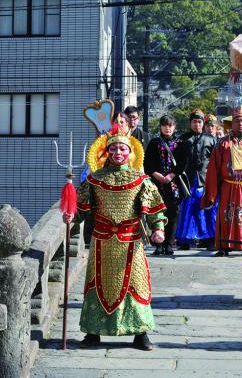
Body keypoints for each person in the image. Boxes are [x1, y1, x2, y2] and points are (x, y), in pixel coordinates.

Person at [62, 125, 166, 351]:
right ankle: (92, 333)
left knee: (136, 285)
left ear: (131, 152)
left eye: (122, 149)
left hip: (132, 242)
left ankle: (140, 334)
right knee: (96, 285)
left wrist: (159, 228)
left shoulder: (141, 179)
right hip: (101, 242)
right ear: (106, 152)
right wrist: (71, 214)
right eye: (114, 149)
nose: (118, 153)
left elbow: (156, 207)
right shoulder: (94, 179)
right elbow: (81, 209)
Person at [201, 106, 242, 256]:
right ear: (232, 123)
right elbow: (213, 170)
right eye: (237, 121)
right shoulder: (222, 143)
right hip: (228, 188)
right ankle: (225, 246)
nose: (240, 124)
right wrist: (211, 194)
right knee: (227, 217)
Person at [175, 109, 218, 250]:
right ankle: (185, 240)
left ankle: (209, 239)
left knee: (207, 211)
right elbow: (177, 160)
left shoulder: (211, 140)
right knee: (187, 210)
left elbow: (216, 161)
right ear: (190, 123)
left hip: (205, 180)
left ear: (203, 123)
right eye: (194, 121)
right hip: (187, 181)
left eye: (199, 122)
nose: (197, 124)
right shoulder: (182, 139)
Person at [144, 115, 186, 255]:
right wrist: (157, 175)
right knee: (157, 213)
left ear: (174, 127)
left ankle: (169, 244)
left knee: (173, 213)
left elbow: (183, 163)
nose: (168, 128)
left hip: (173, 185)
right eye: (165, 125)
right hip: (157, 184)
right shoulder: (154, 143)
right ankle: (158, 244)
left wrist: (171, 175)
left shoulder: (180, 143)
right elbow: (147, 163)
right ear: (160, 126)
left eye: (170, 125)